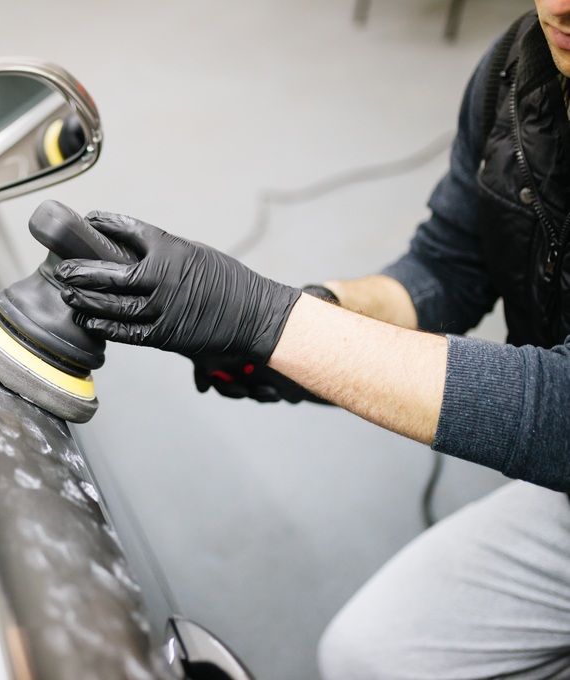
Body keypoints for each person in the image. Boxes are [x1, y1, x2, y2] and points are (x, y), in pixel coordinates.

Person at [53, 3, 570, 678]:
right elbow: (449, 267)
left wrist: (266, 319)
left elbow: (557, 410)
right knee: (370, 656)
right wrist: (316, 319)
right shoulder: (521, 67)